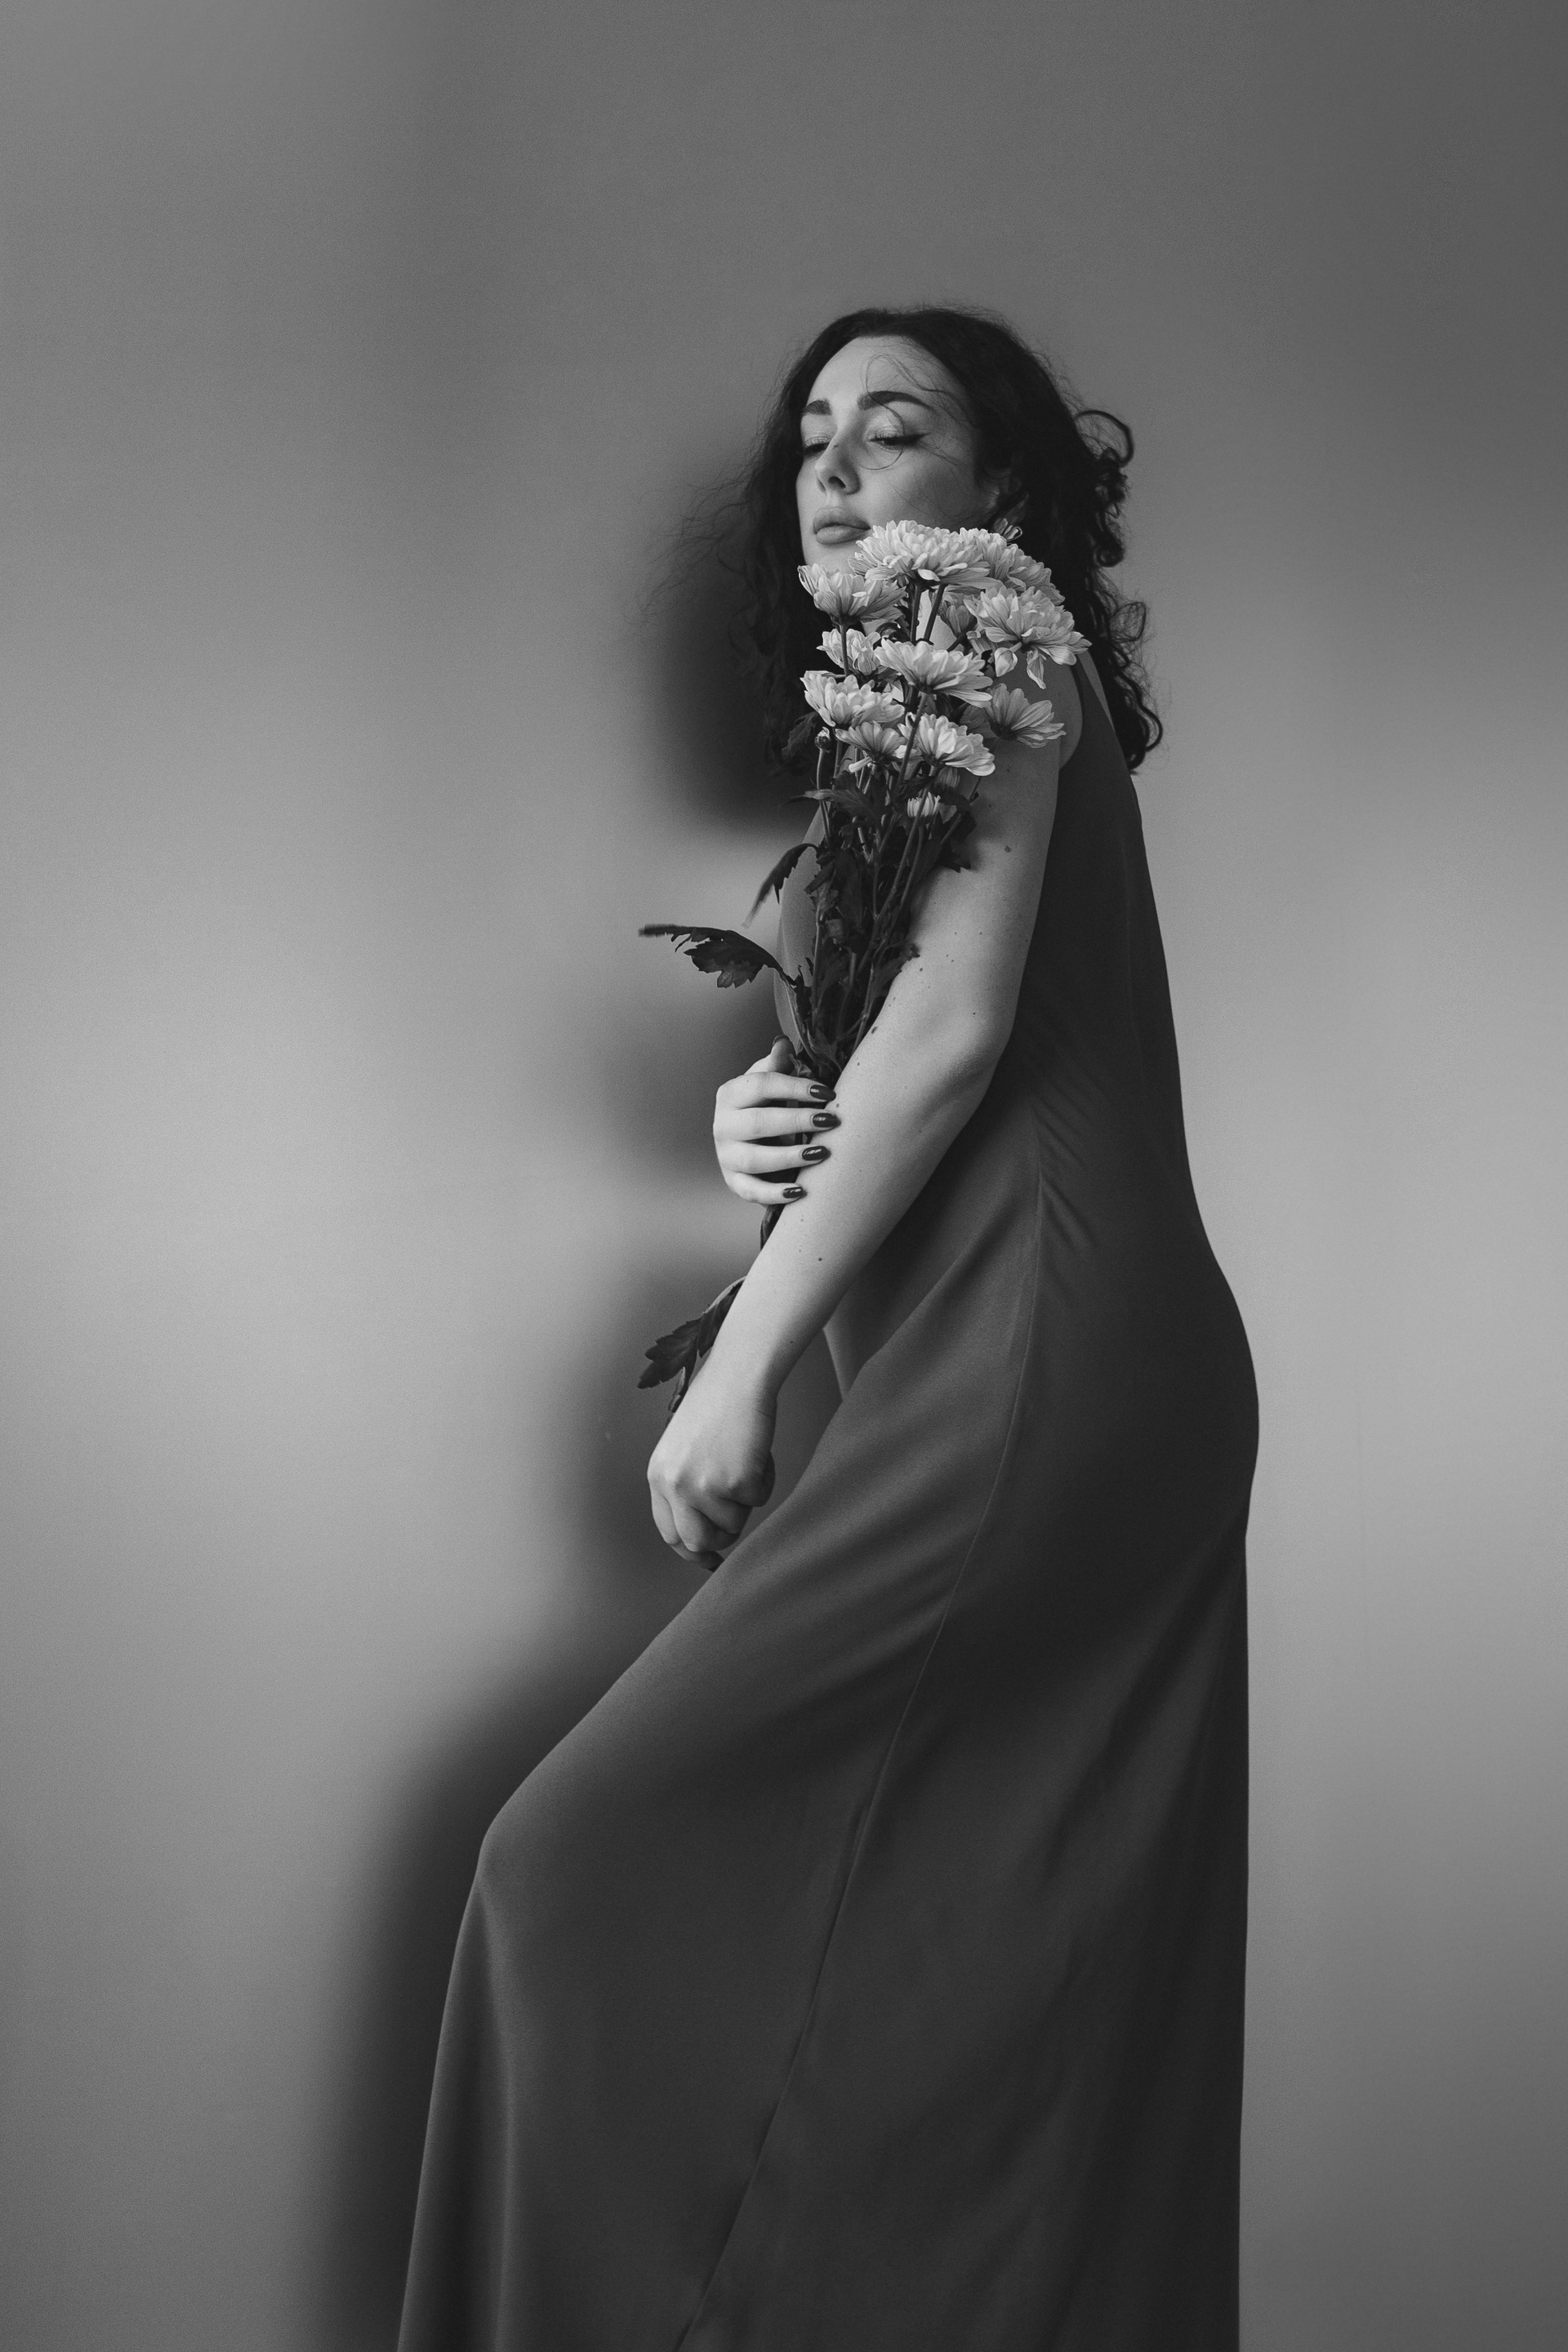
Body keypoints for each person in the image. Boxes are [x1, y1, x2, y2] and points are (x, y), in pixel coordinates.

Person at [398, 305, 1257, 2352]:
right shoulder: (912, 689)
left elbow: (949, 1041)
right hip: (1036, 1350)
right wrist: (759, 1116)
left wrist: (741, 1373)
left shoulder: (977, 625)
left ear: (999, 488)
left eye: (898, 427)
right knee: (1004, 1969)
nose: (840, 467)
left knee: (569, 1863)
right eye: (812, 437)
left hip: (1040, 1355)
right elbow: (911, 1047)